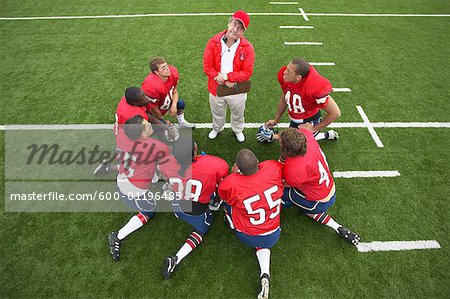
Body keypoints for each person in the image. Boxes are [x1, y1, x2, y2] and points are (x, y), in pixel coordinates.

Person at [270, 127, 360, 245]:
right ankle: (338, 227)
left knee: (277, 191)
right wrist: (273, 137)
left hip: (317, 202)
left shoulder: (295, 169)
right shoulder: (306, 135)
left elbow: (284, 183)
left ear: (287, 150)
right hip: (329, 188)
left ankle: (295, 204)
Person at [158, 137, 229, 279]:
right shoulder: (214, 164)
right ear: (194, 151)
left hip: (178, 207)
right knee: (202, 230)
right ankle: (176, 258)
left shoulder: (165, 163)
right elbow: (223, 178)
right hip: (197, 212)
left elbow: (166, 175)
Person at [219, 149, 284, 299]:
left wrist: (233, 173)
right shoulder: (272, 168)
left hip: (247, 235)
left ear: (238, 167)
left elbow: (224, 195)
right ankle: (264, 273)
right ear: (258, 162)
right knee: (263, 241)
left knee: (228, 205)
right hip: (274, 232)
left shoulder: (231, 182)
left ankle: (229, 221)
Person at [107, 115, 171, 262]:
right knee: (150, 211)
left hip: (125, 175)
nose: (149, 124)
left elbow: (117, 128)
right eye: (147, 125)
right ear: (142, 134)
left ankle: (107, 167)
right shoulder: (156, 147)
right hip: (133, 188)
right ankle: (117, 236)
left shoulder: (123, 134)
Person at [203, 10, 255, 142]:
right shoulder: (213, 42)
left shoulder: (248, 47)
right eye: (234, 24)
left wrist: (226, 77)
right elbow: (207, 67)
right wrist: (223, 80)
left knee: (238, 113)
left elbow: (247, 73)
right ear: (229, 22)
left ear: (243, 32)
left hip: (236, 89)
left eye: (240, 28)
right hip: (216, 87)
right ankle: (217, 128)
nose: (235, 29)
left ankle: (237, 130)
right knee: (217, 112)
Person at [265, 58, 341, 141]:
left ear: (298, 77)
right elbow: (284, 100)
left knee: (293, 145)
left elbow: (335, 113)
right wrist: (276, 119)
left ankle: (323, 135)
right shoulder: (287, 79)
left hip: (309, 121)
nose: (284, 72)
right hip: (295, 118)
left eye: (289, 72)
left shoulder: (313, 87)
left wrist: (314, 128)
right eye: (287, 68)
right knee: (293, 140)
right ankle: (320, 135)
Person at [142, 56, 195, 129]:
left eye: (166, 65)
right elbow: (153, 109)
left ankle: (181, 122)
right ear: (157, 72)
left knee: (180, 103)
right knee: (161, 128)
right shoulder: (151, 85)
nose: (167, 69)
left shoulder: (172, 74)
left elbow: (174, 91)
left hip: (164, 102)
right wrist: (162, 121)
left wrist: (173, 105)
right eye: (163, 68)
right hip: (152, 112)